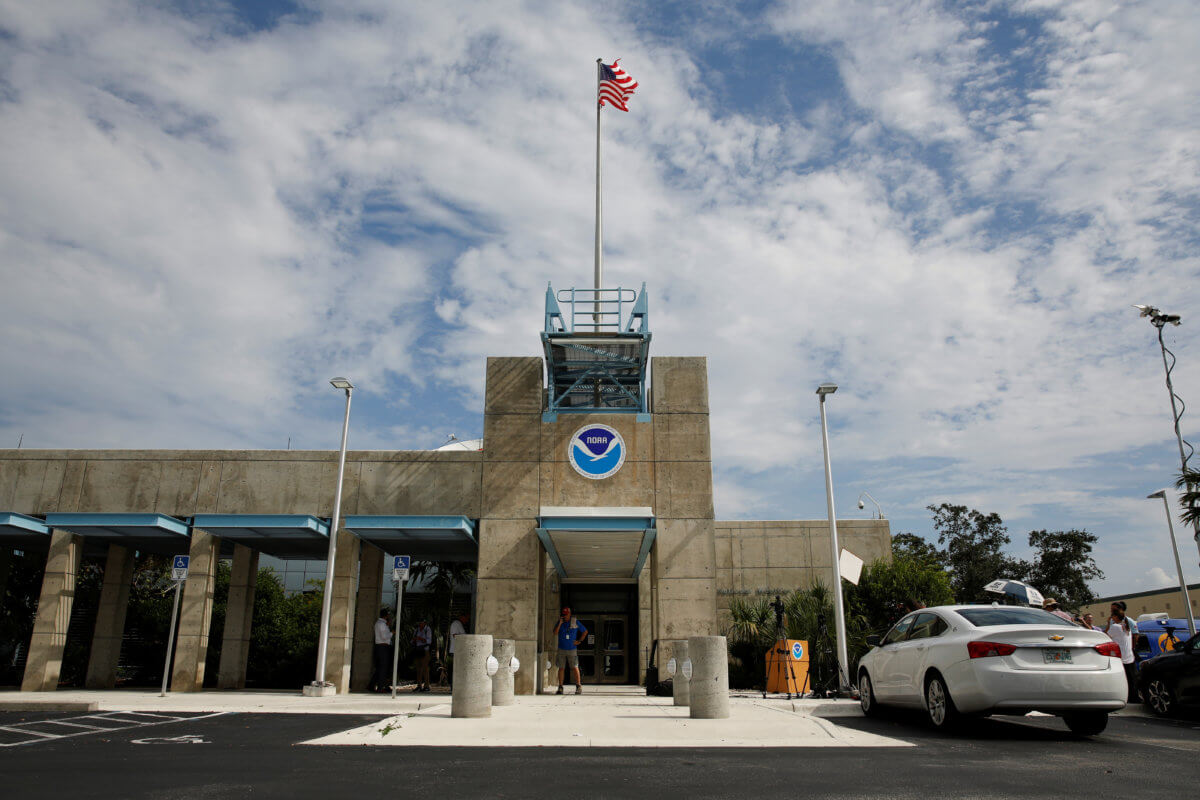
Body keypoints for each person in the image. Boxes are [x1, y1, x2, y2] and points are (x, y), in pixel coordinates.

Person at [1104, 601, 1139, 701]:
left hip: (1121, 657)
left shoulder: (1117, 625)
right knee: (1131, 678)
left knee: (1124, 679)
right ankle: (1134, 696)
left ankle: (1127, 696)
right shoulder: (1126, 625)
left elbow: (1105, 635)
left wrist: (1108, 623)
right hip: (1129, 656)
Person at [553, 606, 587, 695]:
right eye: (563, 614)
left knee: (575, 667)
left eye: (566, 614)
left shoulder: (575, 622)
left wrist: (579, 641)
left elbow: (585, 631)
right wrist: (560, 623)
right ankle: (560, 687)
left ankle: (578, 686)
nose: (565, 616)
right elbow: (555, 633)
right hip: (561, 649)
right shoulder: (560, 622)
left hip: (572, 649)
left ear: (570, 614)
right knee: (561, 668)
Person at [371, 608, 393, 693]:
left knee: (380, 668)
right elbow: (384, 637)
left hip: (380, 647)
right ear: (386, 615)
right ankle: (380, 687)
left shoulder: (379, 623)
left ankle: (372, 685)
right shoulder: (382, 624)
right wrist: (392, 633)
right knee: (383, 668)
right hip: (383, 647)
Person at [447, 612, 468, 687]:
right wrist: (467, 638)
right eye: (466, 618)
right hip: (456, 651)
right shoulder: (456, 624)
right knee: (456, 670)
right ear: (462, 617)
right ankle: (454, 687)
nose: (467, 620)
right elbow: (455, 635)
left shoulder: (459, 624)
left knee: (458, 670)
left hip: (459, 651)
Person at [412, 617, 433, 692]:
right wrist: (414, 640)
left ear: (424, 623)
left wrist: (420, 638)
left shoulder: (428, 629)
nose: (420, 624)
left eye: (421, 623)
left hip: (425, 650)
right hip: (417, 650)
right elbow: (412, 640)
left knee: (425, 668)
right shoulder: (416, 630)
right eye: (419, 623)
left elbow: (429, 641)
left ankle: (426, 686)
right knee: (418, 668)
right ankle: (419, 685)